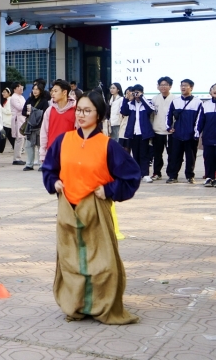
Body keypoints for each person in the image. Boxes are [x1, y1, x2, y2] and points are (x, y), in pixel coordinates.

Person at [42, 90, 142, 324]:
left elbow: (131, 176)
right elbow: (49, 168)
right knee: (71, 262)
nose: (81, 115)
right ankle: (77, 305)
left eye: (88, 111)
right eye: (79, 110)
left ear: (99, 115)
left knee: (103, 263)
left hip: (96, 210)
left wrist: (108, 190)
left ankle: (102, 304)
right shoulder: (64, 140)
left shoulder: (108, 145)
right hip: (68, 210)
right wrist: (53, 181)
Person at [165, 79, 201, 184]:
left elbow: (200, 119)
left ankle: (190, 176)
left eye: (185, 86)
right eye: (181, 86)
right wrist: (169, 127)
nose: (183, 88)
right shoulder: (175, 101)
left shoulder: (197, 102)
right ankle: (173, 176)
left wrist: (196, 132)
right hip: (177, 135)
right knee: (175, 156)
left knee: (191, 157)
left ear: (191, 88)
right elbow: (168, 115)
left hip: (191, 135)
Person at [118, 84, 154, 182]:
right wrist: (126, 98)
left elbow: (151, 110)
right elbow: (124, 111)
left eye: (138, 92)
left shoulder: (147, 103)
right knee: (135, 154)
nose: (136, 94)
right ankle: (137, 173)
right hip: (133, 133)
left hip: (144, 133)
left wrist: (141, 97)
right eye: (135, 92)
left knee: (144, 154)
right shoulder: (130, 104)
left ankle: (145, 174)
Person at [149, 78, 177, 181]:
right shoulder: (154, 99)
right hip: (157, 130)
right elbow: (151, 116)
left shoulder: (175, 99)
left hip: (170, 132)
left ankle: (171, 173)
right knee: (157, 154)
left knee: (172, 153)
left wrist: (173, 127)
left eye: (165, 85)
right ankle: (157, 173)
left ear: (170, 86)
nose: (163, 87)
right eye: (161, 85)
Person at [42, 79, 76, 153]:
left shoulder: (75, 111)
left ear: (64, 92)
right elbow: (44, 133)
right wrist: (42, 153)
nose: (52, 93)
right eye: (52, 91)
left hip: (70, 152)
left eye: (55, 91)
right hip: (52, 152)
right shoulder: (49, 111)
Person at [23, 82, 49, 171]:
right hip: (30, 126)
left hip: (40, 126)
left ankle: (42, 164)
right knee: (29, 145)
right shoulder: (29, 100)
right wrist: (30, 113)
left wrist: (33, 112)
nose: (35, 91)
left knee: (40, 146)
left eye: (37, 89)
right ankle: (29, 164)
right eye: (33, 89)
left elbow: (45, 113)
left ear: (41, 90)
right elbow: (23, 111)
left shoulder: (44, 101)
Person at [8, 83, 27, 164]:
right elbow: (20, 107)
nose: (21, 88)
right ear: (15, 89)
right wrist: (26, 107)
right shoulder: (14, 97)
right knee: (19, 138)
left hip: (22, 119)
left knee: (21, 138)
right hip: (17, 119)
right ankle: (17, 158)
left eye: (21, 87)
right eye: (19, 87)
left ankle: (18, 157)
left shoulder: (21, 97)